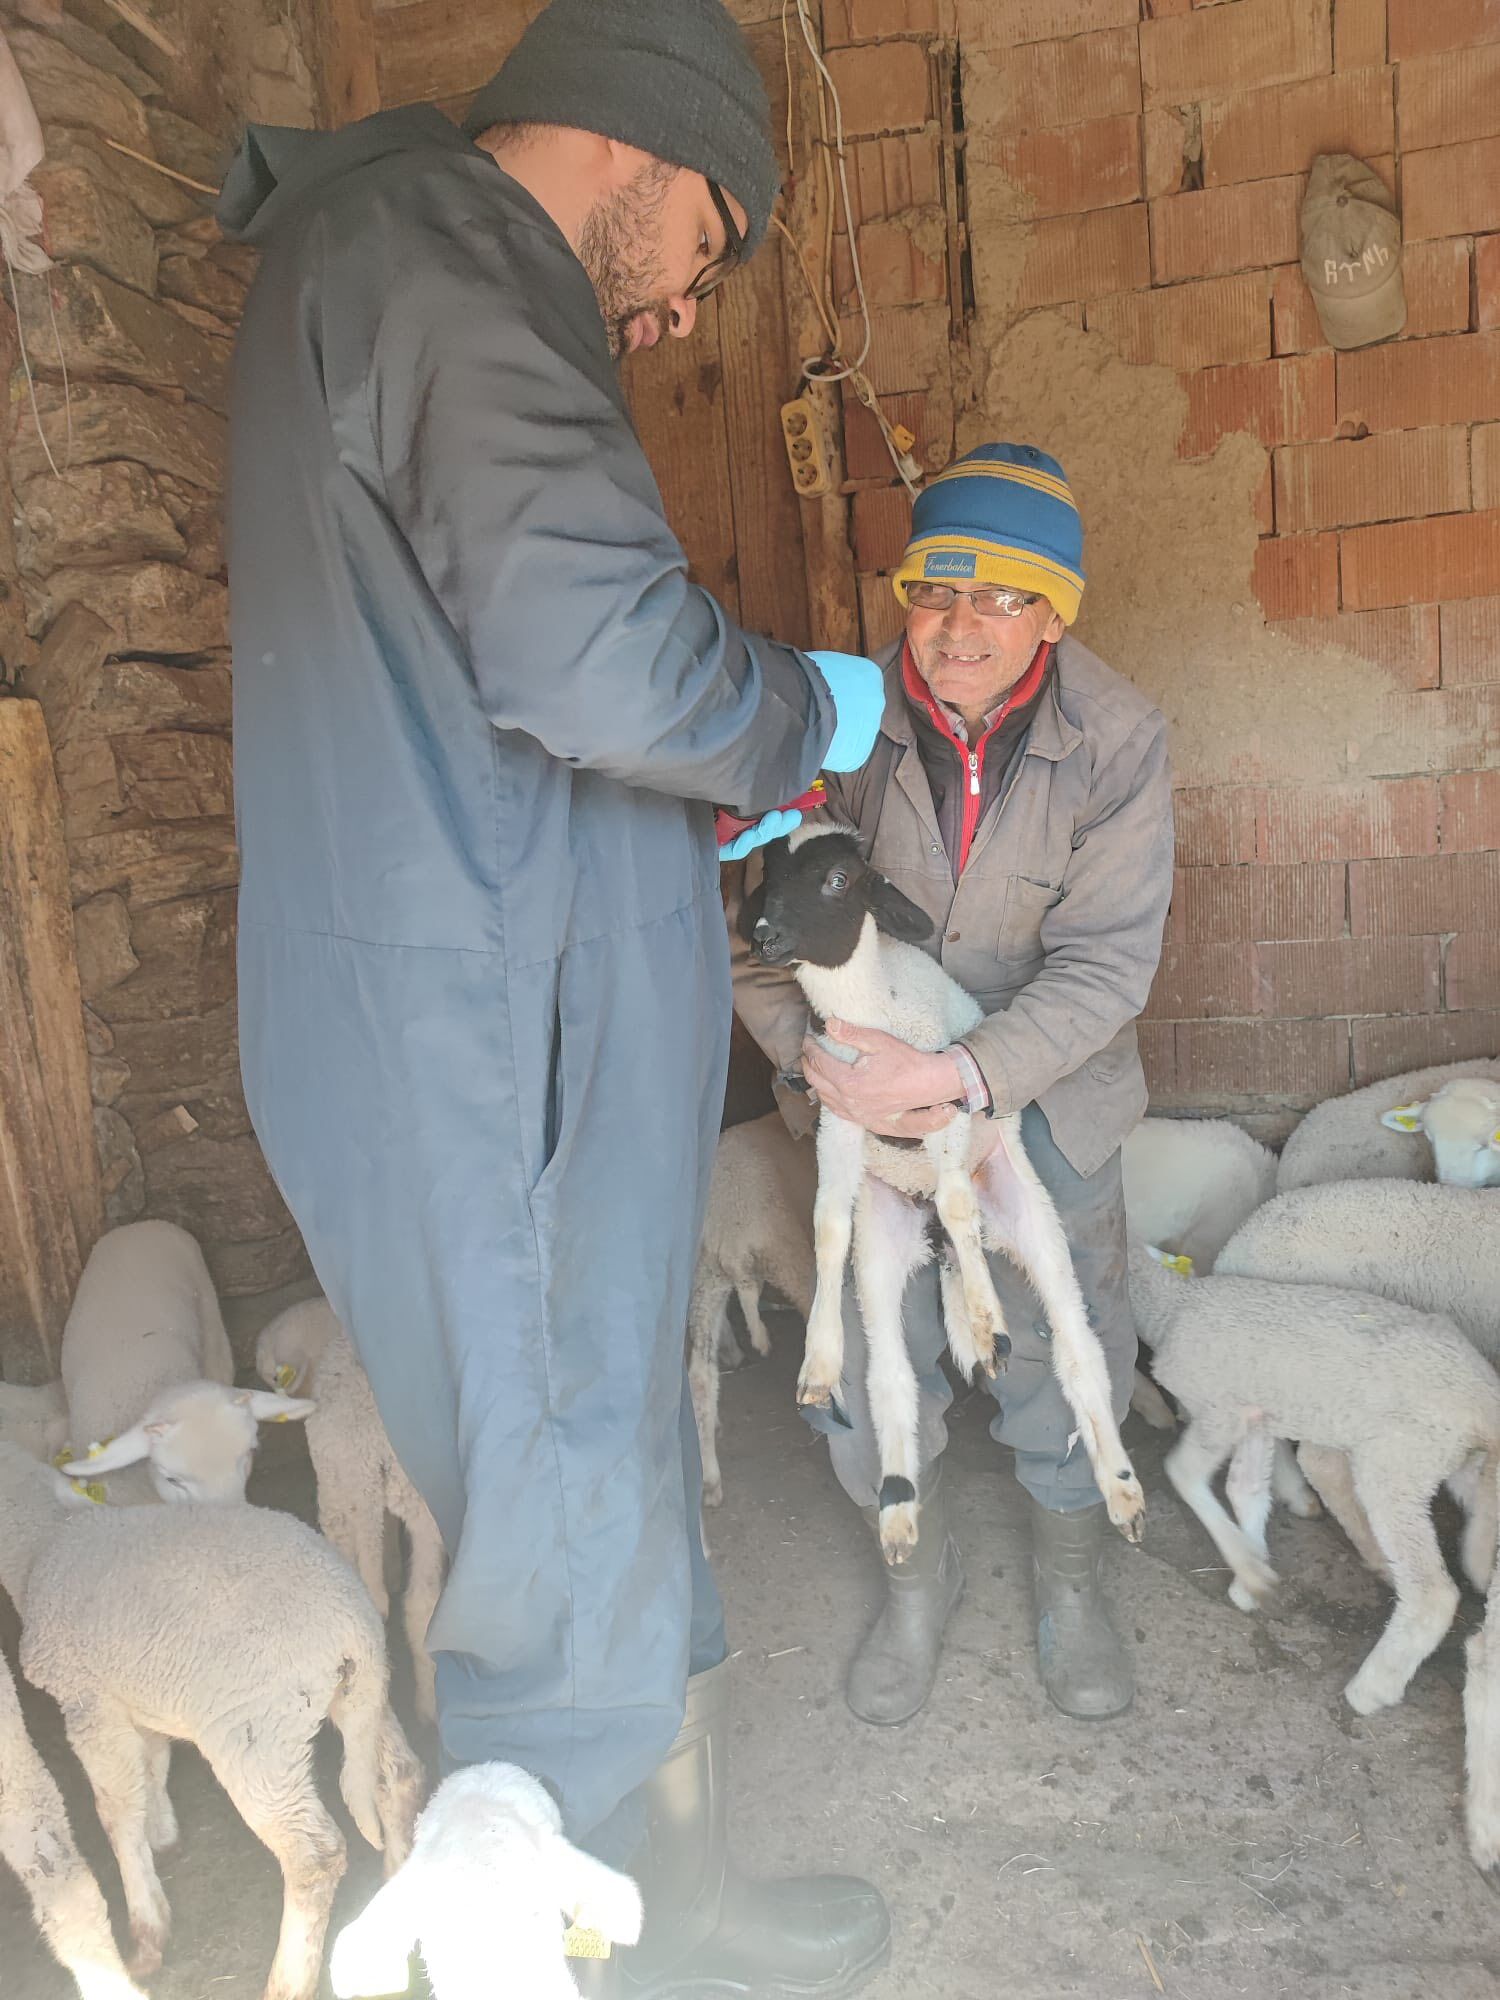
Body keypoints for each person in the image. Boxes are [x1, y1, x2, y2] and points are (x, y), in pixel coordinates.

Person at [216, 1, 893, 1992]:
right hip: (482, 1045)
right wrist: (792, 711)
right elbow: (594, 657)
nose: (688, 307)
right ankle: (595, 1950)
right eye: (716, 247)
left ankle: (672, 1899)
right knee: (556, 1489)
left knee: (589, 1475)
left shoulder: (415, 266)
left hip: (500, 999)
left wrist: (661, 850)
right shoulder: (436, 260)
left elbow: (480, 699)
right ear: (660, 155)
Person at [732, 443, 1174, 1727]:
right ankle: (913, 1571)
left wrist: (966, 1076)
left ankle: (1072, 1569)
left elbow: (1108, 967)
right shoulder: (835, 722)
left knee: (1061, 1323)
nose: (959, 630)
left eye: (1000, 599)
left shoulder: (1119, 741)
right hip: (855, 1099)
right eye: (935, 594)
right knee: (869, 1339)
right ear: (904, 599)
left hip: (1040, 1094)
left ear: (1052, 610)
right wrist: (819, 1067)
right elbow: (751, 929)